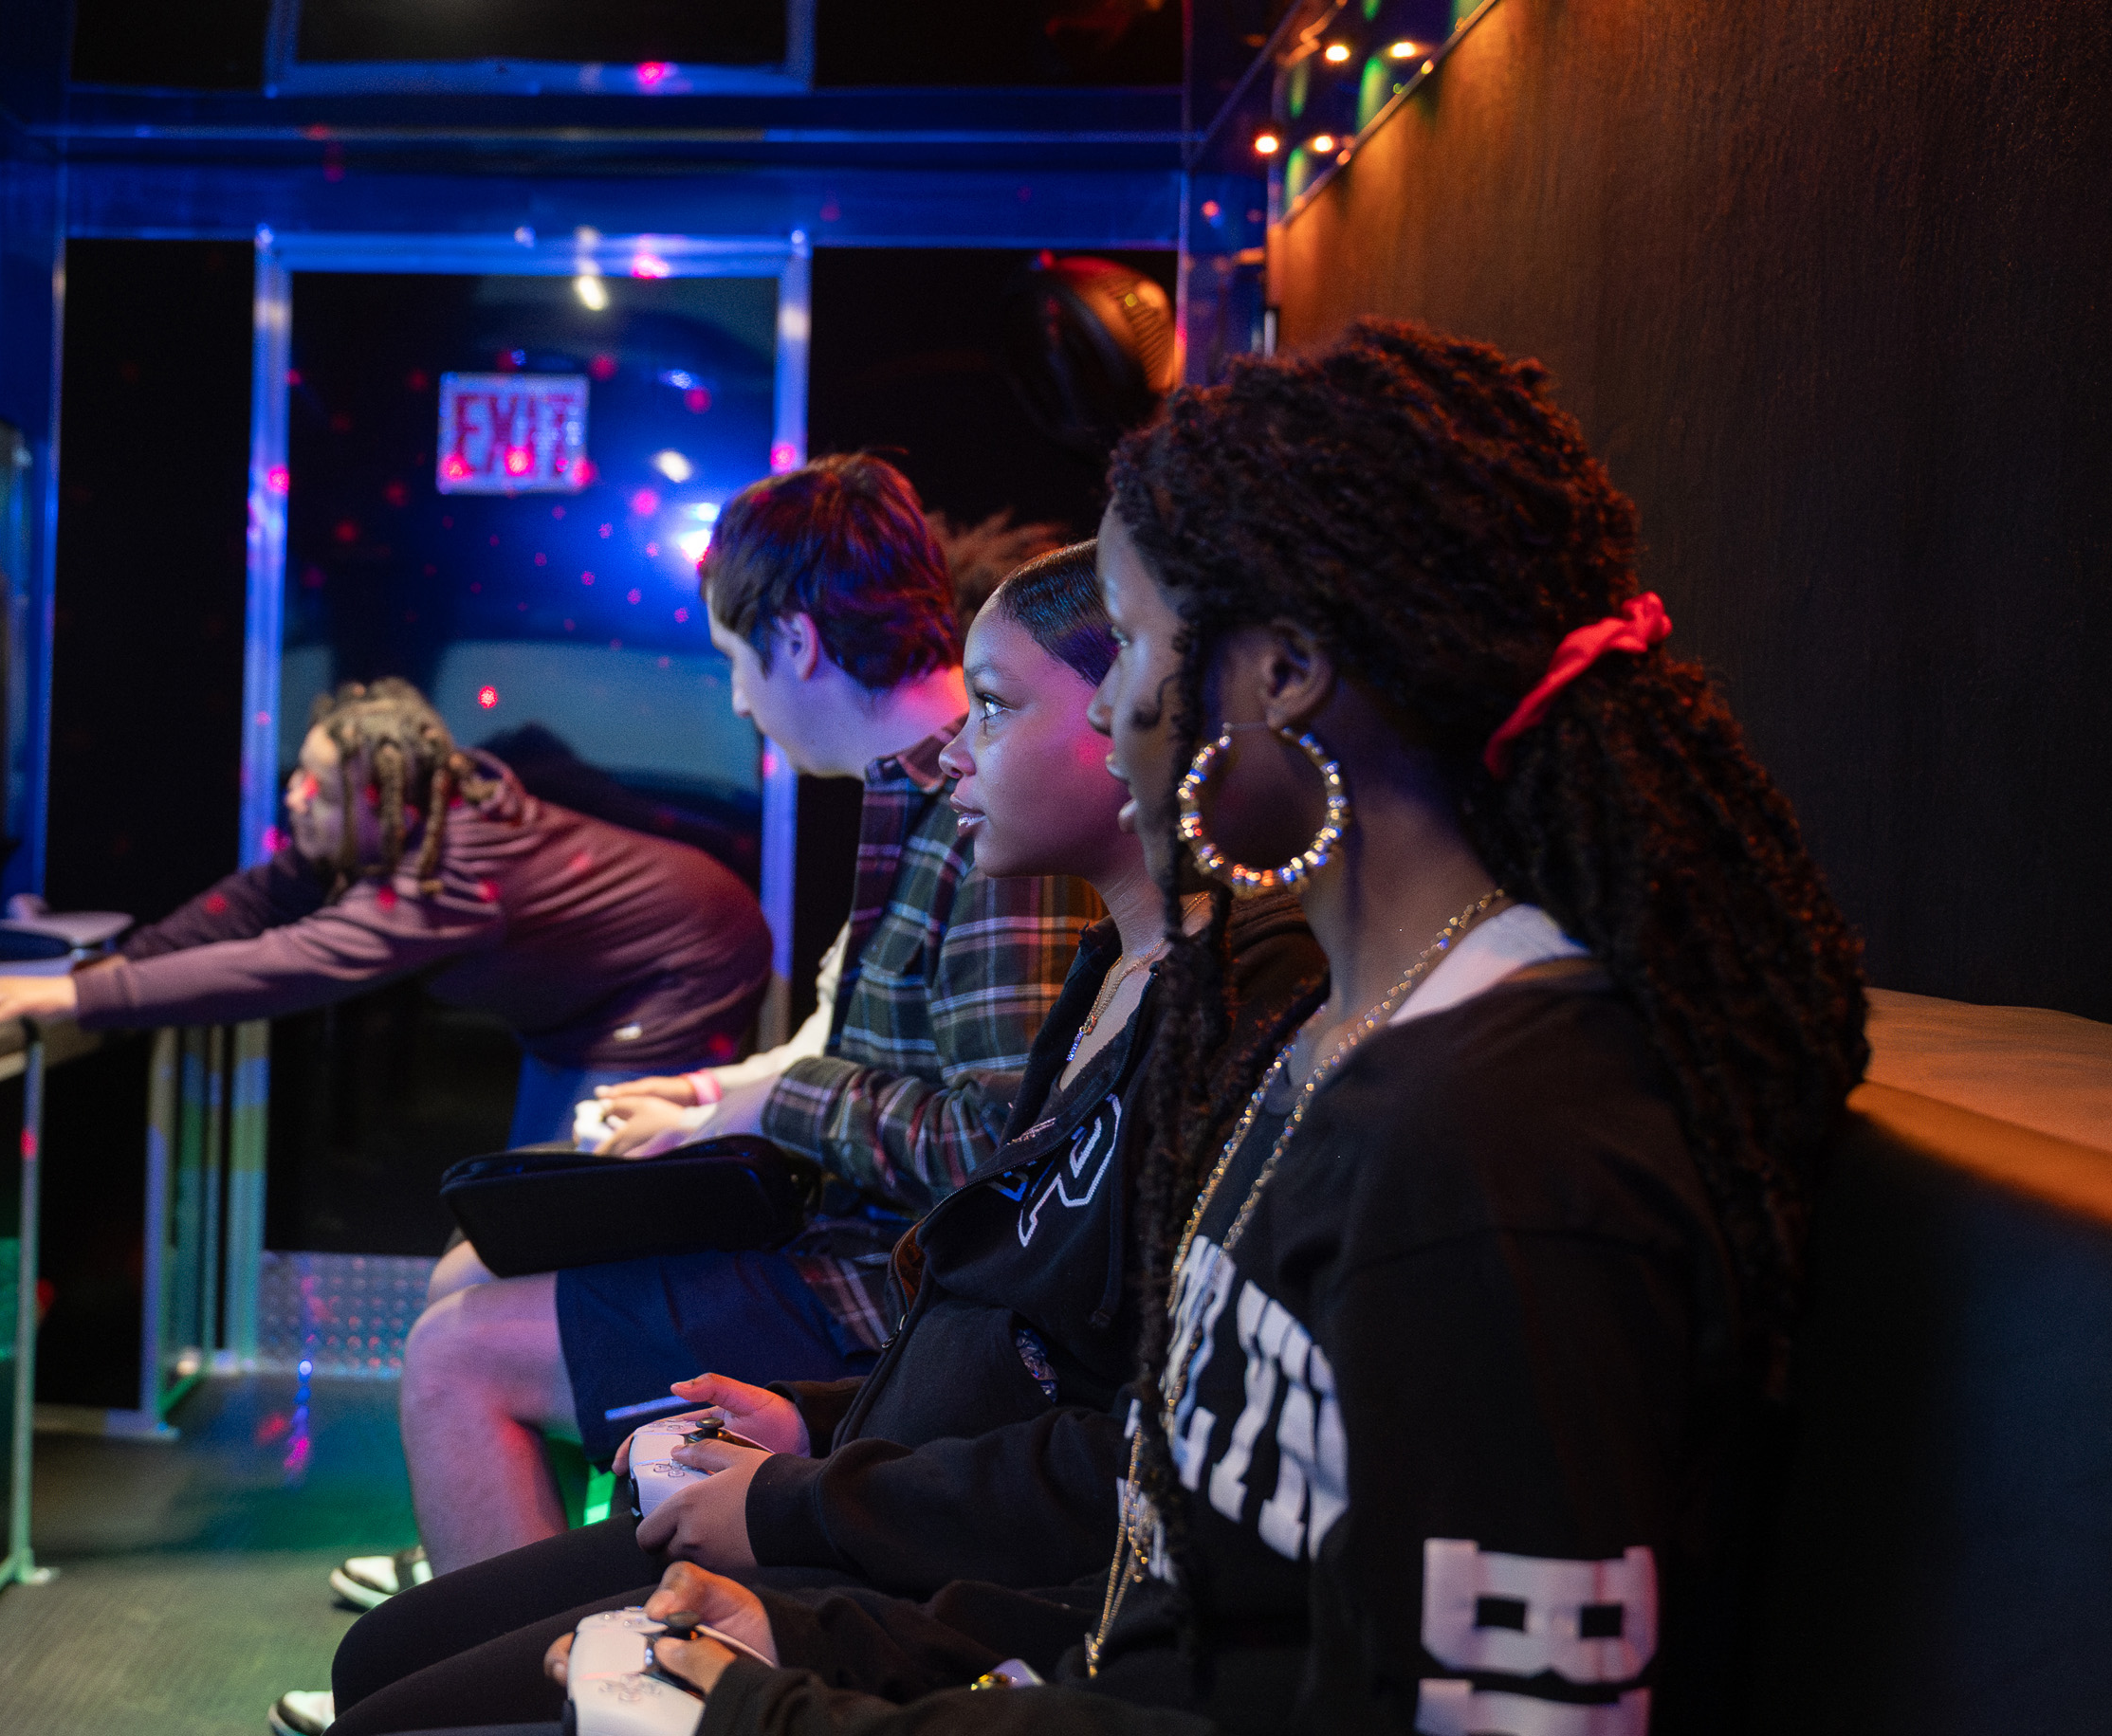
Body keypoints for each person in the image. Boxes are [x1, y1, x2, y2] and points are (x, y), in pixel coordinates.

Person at [593, 320, 1869, 1735]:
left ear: (1286, 673)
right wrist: (825, 1641)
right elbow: (1176, 1579)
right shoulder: (1332, 1033)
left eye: (1133, 640)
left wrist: (780, 1717)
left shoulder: (1493, 1137)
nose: (1112, 702)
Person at [293, 545, 1323, 1736]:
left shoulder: (1235, 1010)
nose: (953, 749)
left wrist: (799, 1497)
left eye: (993, 706)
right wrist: (819, 1420)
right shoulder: (1109, 965)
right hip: (876, 1466)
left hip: (917, 1526)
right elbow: (997, 1327)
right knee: (382, 1654)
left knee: (443, 1426)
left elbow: (1108, 1435)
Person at [337, 457, 1101, 1611]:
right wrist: (709, 1100)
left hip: (892, 1301)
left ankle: (513, 1655)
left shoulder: (986, 822)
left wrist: (757, 1102)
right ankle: (500, 1568)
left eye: (735, 661)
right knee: (476, 1256)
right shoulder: (913, 799)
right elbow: (864, 1058)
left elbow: (1005, 1152)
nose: (739, 701)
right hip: (851, 1246)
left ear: (793, 640)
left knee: (454, 1354)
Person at [0, 680, 771, 1141]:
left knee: (574, 1212)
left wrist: (80, 996)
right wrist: (112, 966)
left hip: (687, 964)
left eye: (319, 787)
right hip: (598, 993)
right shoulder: (397, 825)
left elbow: (281, 963)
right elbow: (250, 904)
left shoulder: (445, 877)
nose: (293, 795)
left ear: (389, 807)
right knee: (538, 1198)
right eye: (299, 773)